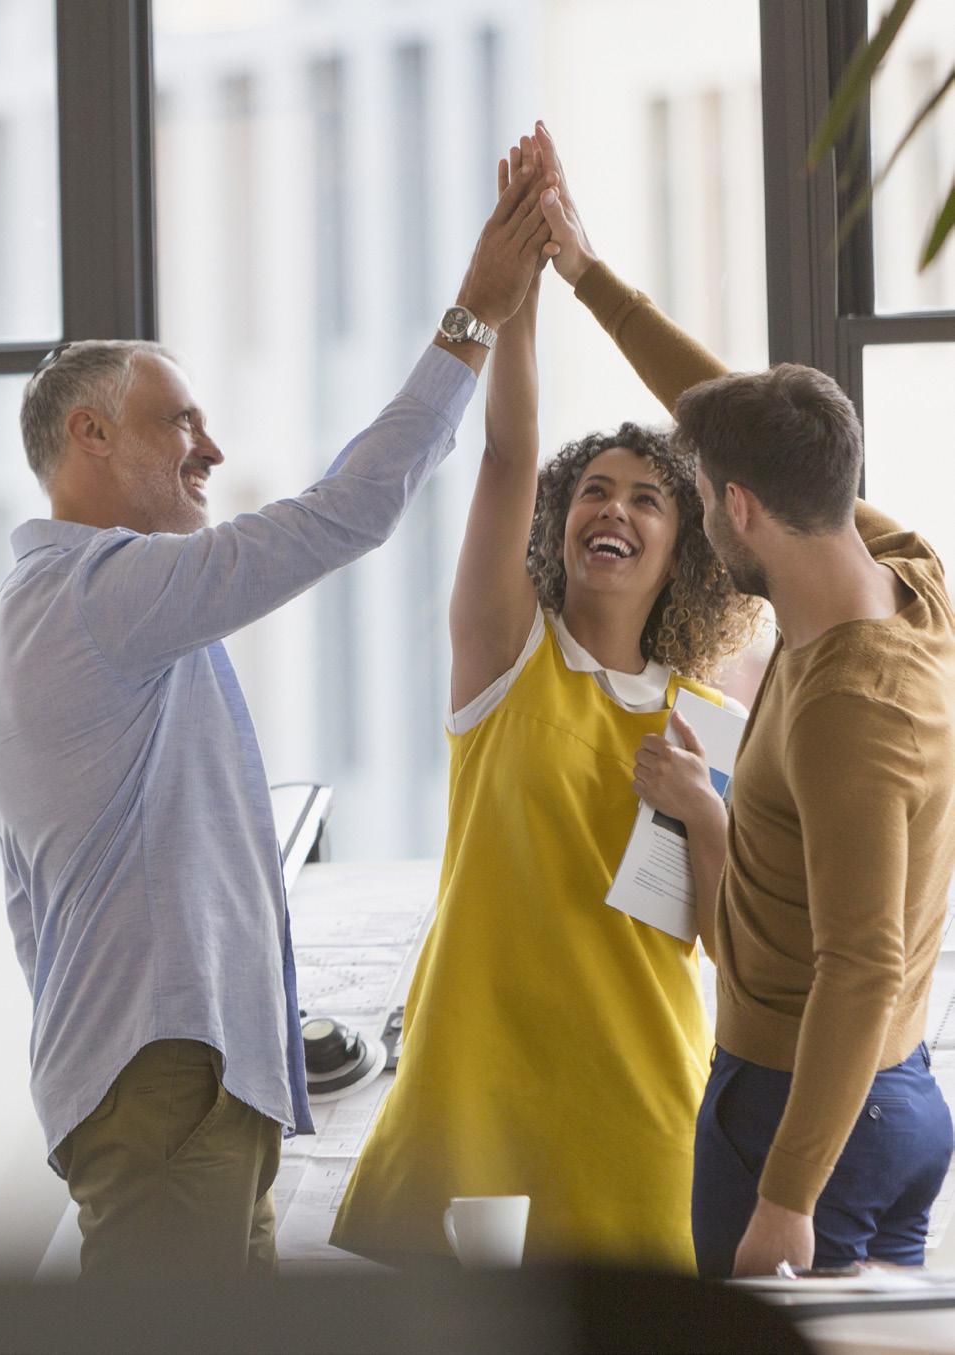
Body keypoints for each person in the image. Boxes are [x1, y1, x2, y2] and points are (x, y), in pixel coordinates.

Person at [0, 165, 556, 1284]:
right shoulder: (100, 596)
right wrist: (475, 314)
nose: (212, 450)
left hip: (169, 1083)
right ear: (89, 435)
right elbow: (345, 513)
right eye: (179, 420)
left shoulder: (40, 619)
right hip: (164, 1080)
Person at [534, 121, 955, 1277]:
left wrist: (782, 1197)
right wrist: (587, 280)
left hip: (803, 1117)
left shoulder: (845, 709)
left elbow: (860, 963)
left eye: (706, 506)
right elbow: (720, 409)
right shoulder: (905, 570)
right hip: (893, 1100)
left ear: (742, 511)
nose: (704, 530)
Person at [330, 138, 760, 1269]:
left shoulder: (707, 718)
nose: (611, 508)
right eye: (595, 492)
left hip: (641, 1100)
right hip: (475, 1097)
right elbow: (507, 453)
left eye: (647, 499)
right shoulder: (505, 656)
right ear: (562, 523)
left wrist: (700, 806)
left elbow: (730, 940)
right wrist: (519, 296)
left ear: (684, 550)